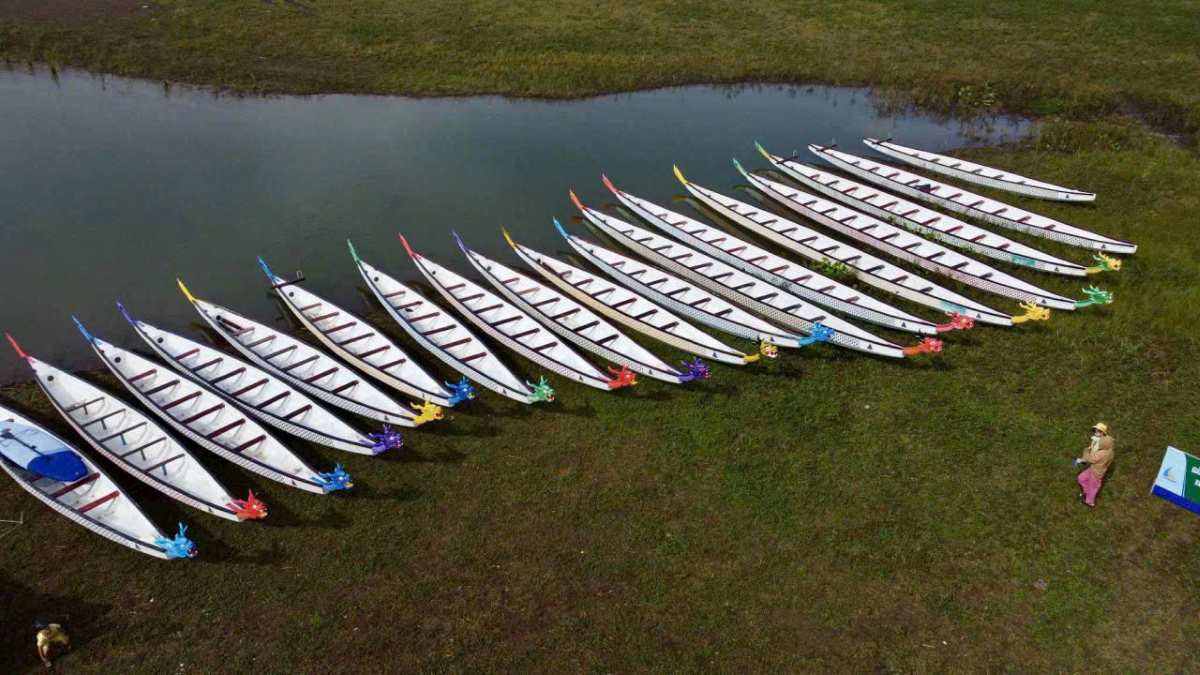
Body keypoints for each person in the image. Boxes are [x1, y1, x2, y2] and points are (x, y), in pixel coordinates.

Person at [1074, 422, 1115, 509]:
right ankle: (1087, 491)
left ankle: (1090, 502)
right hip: (1094, 469)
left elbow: (1091, 459)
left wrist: (1086, 451)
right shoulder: (1109, 450)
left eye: (1098, 431)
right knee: (1081, 478)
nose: (1096, 432)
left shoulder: (1101, 454)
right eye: (1095, 430)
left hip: (1096, 473)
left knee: (1093, 487)